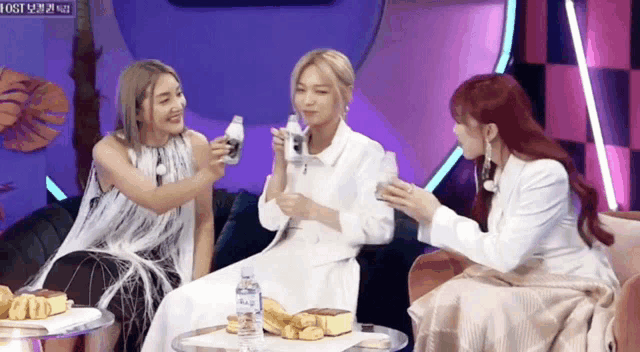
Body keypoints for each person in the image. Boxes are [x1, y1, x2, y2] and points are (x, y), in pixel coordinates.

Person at [141, 49, 394, 352]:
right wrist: (281, 165)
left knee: (215, 311)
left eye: (320, 91)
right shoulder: (294, 144)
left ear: (346, 94)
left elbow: (381, 228)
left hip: (325, 270)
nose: (307, 101)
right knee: (181, 302)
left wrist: (314, 210)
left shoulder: (367, 153)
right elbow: (270, 220)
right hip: (277, 261)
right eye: (301, 91)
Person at [380, 73, 633, 351]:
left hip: (568, 285)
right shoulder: (495, 170)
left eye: (461, 122)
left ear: (490, 132)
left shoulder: (545, 174)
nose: (455, 131)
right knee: (453, 295)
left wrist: (436, 213)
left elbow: (505, 254)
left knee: (486, 307)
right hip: (524, 279)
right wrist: (424, 214)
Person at [24, 59, 230, 352]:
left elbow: (204, 222)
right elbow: (155, 200)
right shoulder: (109, 150)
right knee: (70, 268)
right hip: (106, 253)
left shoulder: (196, 145)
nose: (178, 105)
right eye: (165, 99)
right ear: (137, 110)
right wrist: (208, 174)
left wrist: (196, 289)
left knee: (119, 284)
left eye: (179, 94)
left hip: (165, 262)